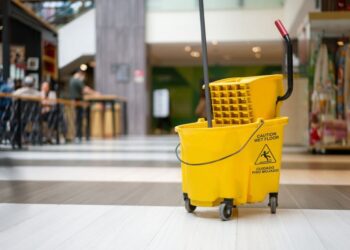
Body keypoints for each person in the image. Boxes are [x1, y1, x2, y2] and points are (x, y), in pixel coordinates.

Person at [68, 70, 98, 142]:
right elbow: (85, 89)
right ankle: (80, 135)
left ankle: (78, 135)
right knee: (79, 119)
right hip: (78, 102)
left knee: (77, 119)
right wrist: (95, 93)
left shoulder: (71, 80)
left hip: (74, 101)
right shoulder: (77, 80)